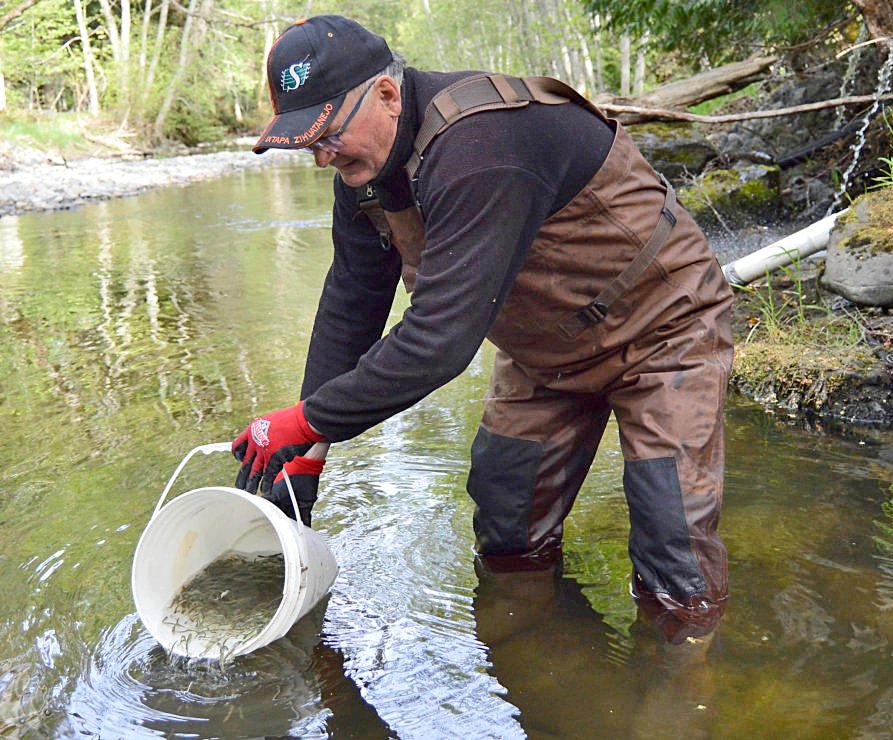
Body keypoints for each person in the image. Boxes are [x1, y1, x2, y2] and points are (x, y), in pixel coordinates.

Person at [231, 15, 735, 640]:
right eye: (308, 146)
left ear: (387, 95)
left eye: (328, 134)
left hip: (662, 329)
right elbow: (352, 301)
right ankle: (542, 664)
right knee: (506, 527)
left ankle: (685, 685)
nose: (322, 159)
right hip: (544, 351)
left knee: (671, 554)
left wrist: (307, 420)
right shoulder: (360, 177)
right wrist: (308, 450)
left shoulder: (480, 147)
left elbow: (439, 342)